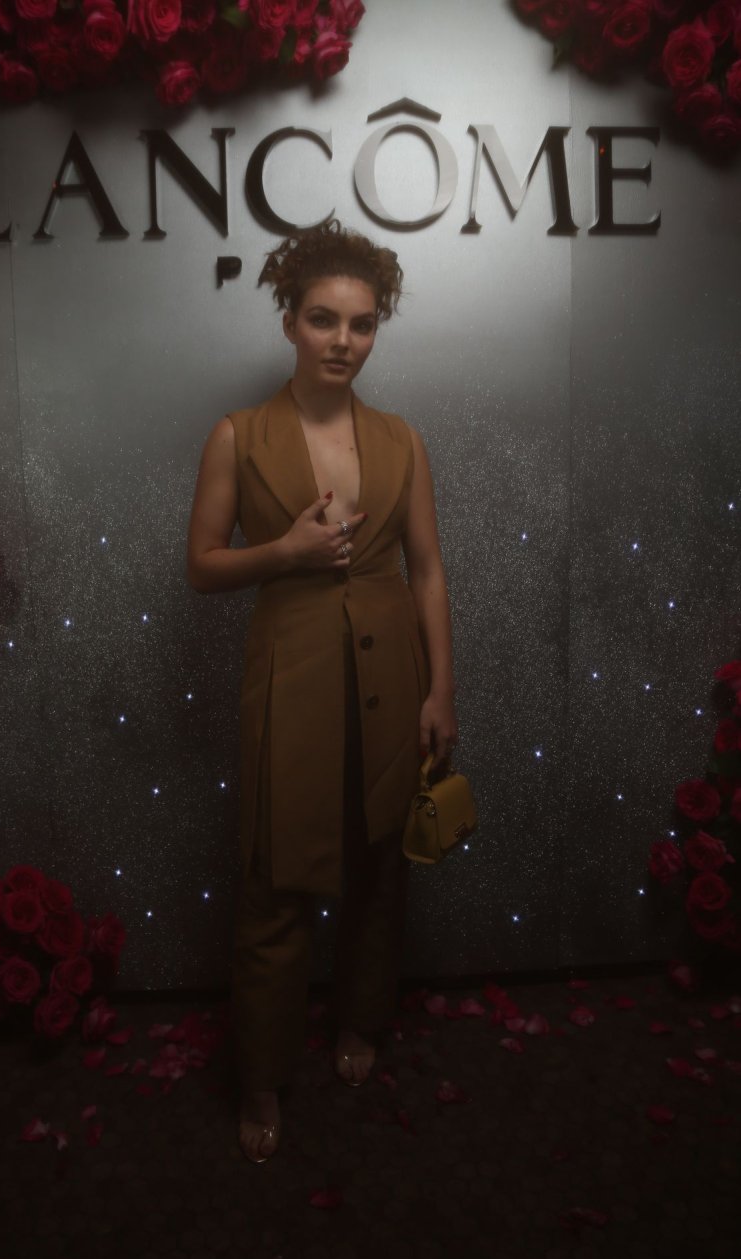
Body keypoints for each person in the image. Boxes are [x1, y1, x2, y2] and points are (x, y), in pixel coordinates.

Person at [186, 218, 459, 1164]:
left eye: (362, 323)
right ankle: (261, 1074)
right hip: (290, 676)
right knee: (277, 883)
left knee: (380, 868)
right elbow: (201, 566)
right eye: (322, 319)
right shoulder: (238, 435)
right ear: (288, 322)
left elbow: (428, 571)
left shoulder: (400, 439)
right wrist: (285, 551)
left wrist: (441, 692)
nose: (342, 340)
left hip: (394, 676)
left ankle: (359, 1021)